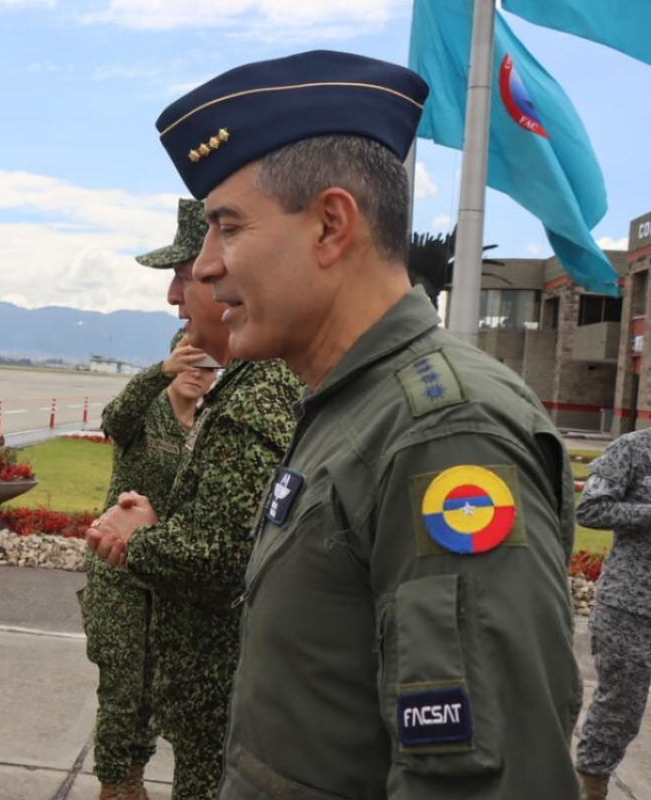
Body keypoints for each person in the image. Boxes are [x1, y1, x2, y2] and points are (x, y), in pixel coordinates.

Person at [149, 50, 581, 798]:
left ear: (329, 225)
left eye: (226, 228)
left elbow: (479, 778)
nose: (206, 267)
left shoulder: (444, 433)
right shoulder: (353, 403)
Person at [87, 199, 300, 800]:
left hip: (227, 700)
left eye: (188, 276)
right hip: (158, 623)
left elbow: (218, 552)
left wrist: (143, 537)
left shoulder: (250, 394)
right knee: (125, 696)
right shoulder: (185, 396)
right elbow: (118, 420)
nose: (176, 297)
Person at [81, 317, 215, 800]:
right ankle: (113, 783)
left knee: (154, 688)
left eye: (207, 365)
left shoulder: (205, 428)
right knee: (121, 684)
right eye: (188, 360)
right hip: (116, 567)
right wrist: (159, 372)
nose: (197, 372)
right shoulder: (148, 412)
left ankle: (133, 775)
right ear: (173, 359)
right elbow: (114, 419)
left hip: (161, 571)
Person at [574, 431, 651, 799]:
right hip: (631, 607)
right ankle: (592, 785)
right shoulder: (633, 449)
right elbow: (589, 508)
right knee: (620, 707)